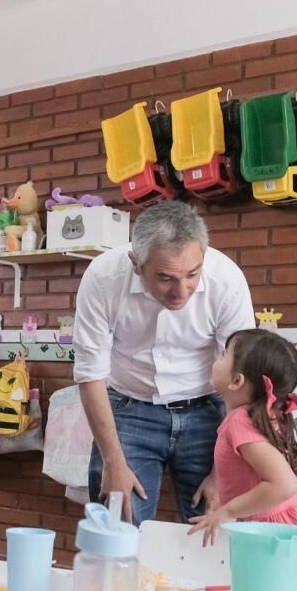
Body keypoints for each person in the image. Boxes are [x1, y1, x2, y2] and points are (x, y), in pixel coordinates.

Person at [73, 200, 254, 524]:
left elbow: (242, 379)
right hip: (128, 410)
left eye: (192, 275)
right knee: (117, 526)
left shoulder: (227, 281)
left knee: (215, 530)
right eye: (165, 278)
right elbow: (90, 375)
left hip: (208, 411)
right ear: (136, 264)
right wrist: (114, 462)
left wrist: (222, 471)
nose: (180, 291)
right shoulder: (102, 279)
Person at [187, 328, 297, 591]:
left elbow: (283, 484)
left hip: (276, 540)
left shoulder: (240, 423)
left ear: (236, 380)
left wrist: (227, 511)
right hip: (274, 534)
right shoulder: (254, 417)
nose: (217, 358)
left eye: (224, 354)